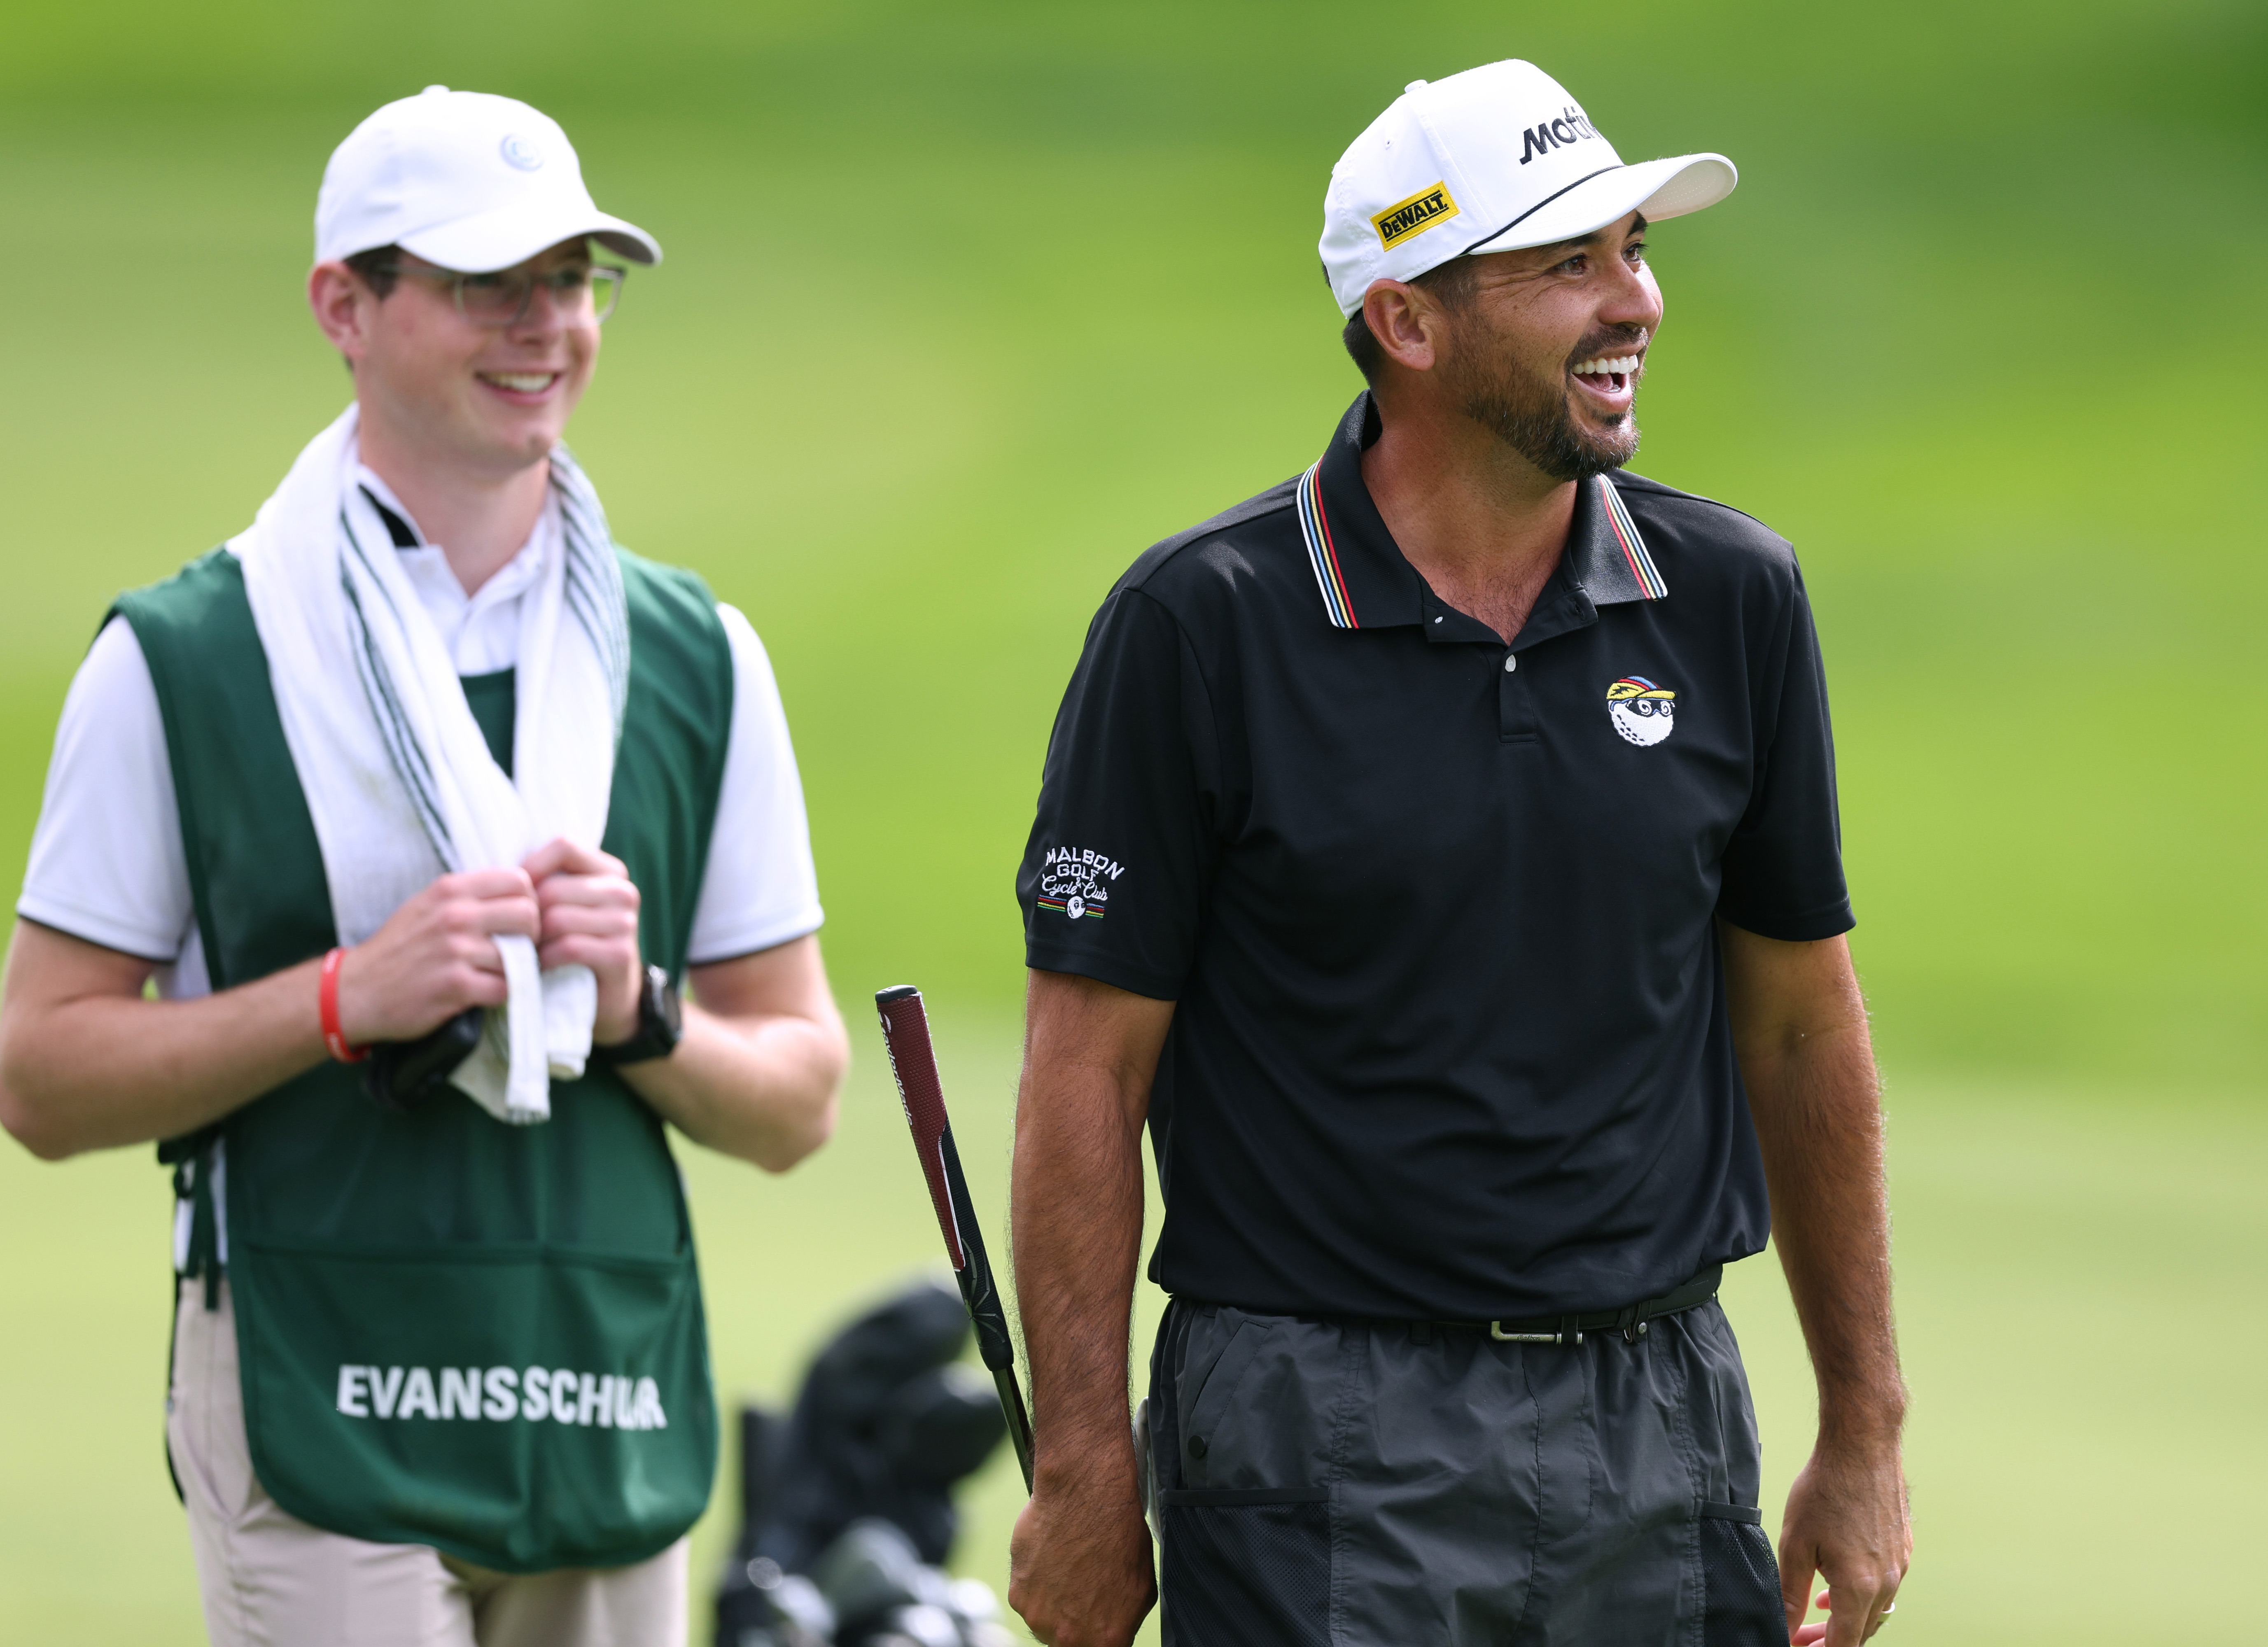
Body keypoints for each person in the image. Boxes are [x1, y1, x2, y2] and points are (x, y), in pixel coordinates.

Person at [1004, 59, 1909, 1647]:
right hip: (1309, 1428)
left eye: (1633, 251)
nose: (1630, 301)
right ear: (1407, 323)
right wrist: (1085, 1468)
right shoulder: (1201, 625)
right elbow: (1088, 1072)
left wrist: (1865, 1423)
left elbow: (1797, 1023)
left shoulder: (1733, 601)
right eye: (1567, 264)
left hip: (1662, 1413)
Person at [0, 86, 848, 1645]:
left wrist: (636, 1015)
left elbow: (798, 1094)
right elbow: (41, 1076)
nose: (547, 326)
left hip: (592, 1358)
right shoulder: (183, 656)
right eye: (483, 282)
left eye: (575, 279)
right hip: (319, 1358)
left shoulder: (698, 657)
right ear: (346, 304)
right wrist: (343, 997)